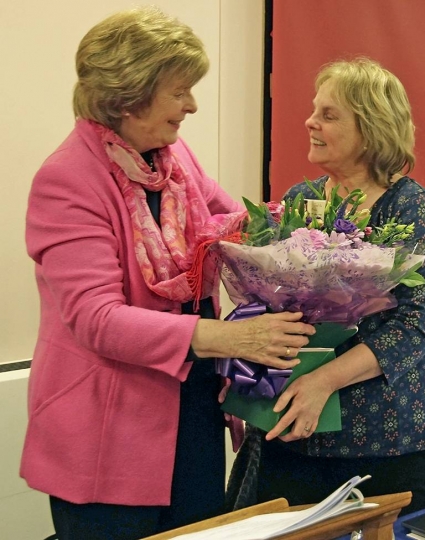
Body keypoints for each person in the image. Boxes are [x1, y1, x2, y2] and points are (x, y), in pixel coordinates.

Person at [21, 8, 315, 540]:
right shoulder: (67, 179)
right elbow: (97, 319)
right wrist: (232, 337)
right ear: (130, 95)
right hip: (107, 439)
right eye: (180, 89)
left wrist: (316, 240)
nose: (193, 105)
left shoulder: (172, 160)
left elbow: (241, 229)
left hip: (192, 417)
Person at [227, 58, 425, 513]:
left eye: (329, 115)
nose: (310, 121)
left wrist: (323, 382)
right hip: (293, 434)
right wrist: (247, 376)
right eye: (315, 110)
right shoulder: (297, 200)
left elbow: (413, 328)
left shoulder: (411, 208)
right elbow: (268, 307)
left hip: (390, 445)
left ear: (370, 129)